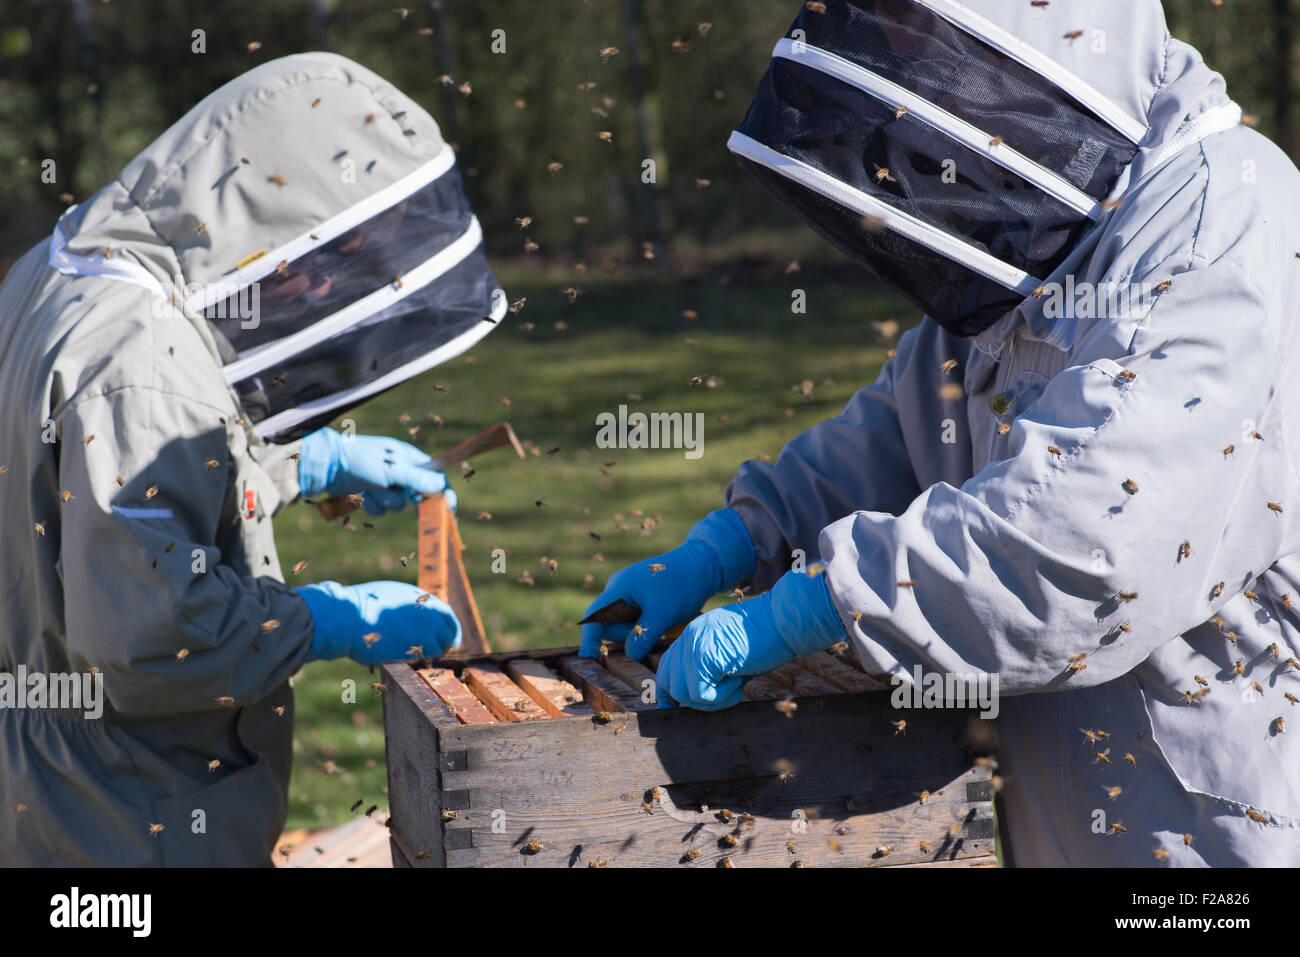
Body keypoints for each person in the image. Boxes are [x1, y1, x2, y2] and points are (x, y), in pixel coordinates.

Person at [582, 0, 1300, 866]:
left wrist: (817, 604)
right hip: (1079, 791)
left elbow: (1083, 543)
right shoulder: (1060, 242)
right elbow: (913, 426)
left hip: (1231, 811)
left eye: (931, 69)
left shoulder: (1214, 235)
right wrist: (740, 538)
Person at [0, 53, 506, 865]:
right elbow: (154, 635)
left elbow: (91, 500)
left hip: (60, 778)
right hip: (132, 808)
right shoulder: (143, 368)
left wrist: (302, 462)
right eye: (321, 264)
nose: (314, 289)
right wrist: (327, 620)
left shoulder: (71, 272)